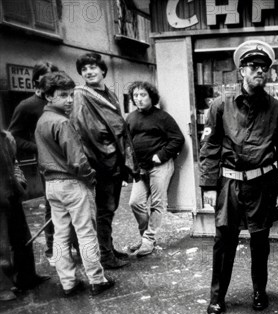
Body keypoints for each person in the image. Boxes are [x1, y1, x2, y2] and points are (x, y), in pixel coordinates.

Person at [199, 40, 278, 314]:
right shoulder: (220, 106)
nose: (259, 72)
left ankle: (259, 291)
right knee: (223, 242)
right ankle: (217, 298)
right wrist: (207, 186)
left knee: (260, 240)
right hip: (229, 184)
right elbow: (210, 147)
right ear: (241, 70)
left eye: (264, 68)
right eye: (254, 66)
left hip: (263, 184)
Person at [35, 71, 114, 297]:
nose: (69, 100)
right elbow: (77, 161)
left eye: (70, 95)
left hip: (52, 184)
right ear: (49, 96)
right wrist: (90, 177)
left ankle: (68, 282)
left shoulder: (42, 121)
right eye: (63, 95)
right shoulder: (62, 122)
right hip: (73, 183)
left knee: (60, 235)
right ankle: (97, 279)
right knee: (86, 232)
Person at [71, 52, 138, 269]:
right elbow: (88, 131)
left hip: (114, 160)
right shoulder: (82, 95)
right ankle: (105, 256)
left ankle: (108, 248)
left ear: (102, 71)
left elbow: (118, 124)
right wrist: (108, 158)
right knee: (103, 211)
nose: (89, 72)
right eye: (84, 69)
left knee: (109, 209)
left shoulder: (108, 94)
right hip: (101, 162)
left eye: (92, 67)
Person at [125, 81, 185, 257]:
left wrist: (161, 155)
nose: (139, 99)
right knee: (135, 202)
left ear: (151, 97)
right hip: (140, 168)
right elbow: (127, 143)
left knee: (158, 203)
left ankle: (148, 239)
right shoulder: (130, 118)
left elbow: (177, 139)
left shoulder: (162, 117)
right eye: (135, 96)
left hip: (160, 166)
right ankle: (146, 237)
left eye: (143, 95)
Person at [8, 62, 59, 259]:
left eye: (55, 76)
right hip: (47, 163)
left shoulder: (58, 100)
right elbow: (14, 137)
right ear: (37, 80)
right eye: (47, 77)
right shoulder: (27, 106)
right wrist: (38, 147)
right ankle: (52, 249)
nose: (51, 81)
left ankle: (74, 245)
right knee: (53, 203)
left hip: (68, 159)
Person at [0, 129, 50, 296]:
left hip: (12, 195)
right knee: (2, 245)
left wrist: (20, 182)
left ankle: (27, 277)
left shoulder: (5, 137)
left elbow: (14, 164)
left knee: (22, 239)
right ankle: (5, 286)